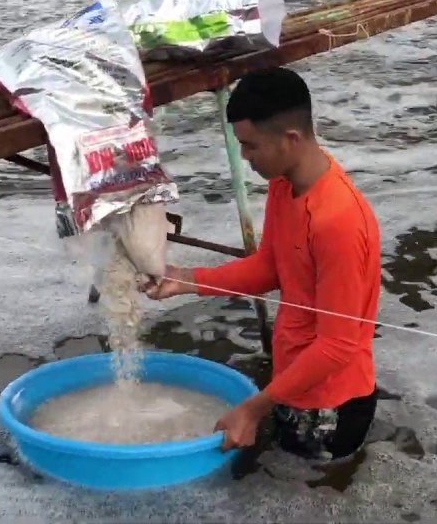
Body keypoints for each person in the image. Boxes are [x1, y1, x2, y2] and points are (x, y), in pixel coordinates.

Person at [142, 66, 382, 462]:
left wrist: (253, 408)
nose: (244, 156)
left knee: (316, 491)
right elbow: (272, 266)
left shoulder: (338, 220)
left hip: (333, 402)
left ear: (291, 139)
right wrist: (186, 280)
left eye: (250, 146)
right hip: (292, 380)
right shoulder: (285, 181)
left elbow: (339, 345)